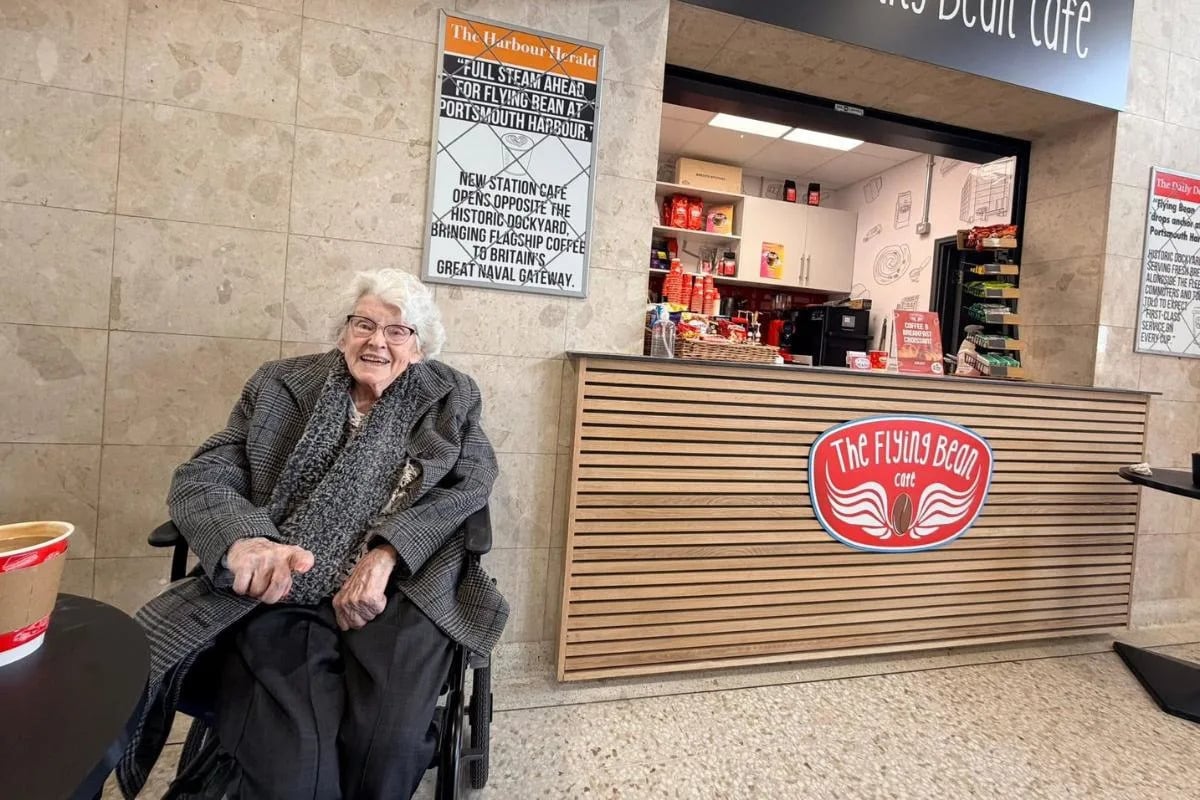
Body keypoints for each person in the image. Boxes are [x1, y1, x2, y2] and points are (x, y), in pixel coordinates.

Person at [116, 269, 508, 800]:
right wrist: (247, 540)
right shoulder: (282, 384)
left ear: (419, 348)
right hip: (286, 586)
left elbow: (470, 484)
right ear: (343, 331)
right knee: (294, 771)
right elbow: (207, 473)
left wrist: (387, 552)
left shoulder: (449, 395)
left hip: (403, 589)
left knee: (386, 746)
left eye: (398, 331)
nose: (377, 341)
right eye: (364, 323)